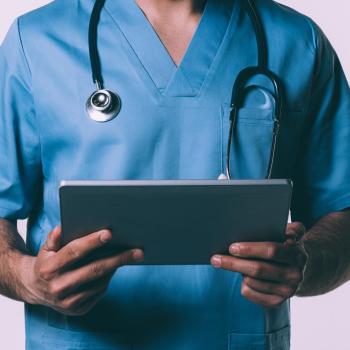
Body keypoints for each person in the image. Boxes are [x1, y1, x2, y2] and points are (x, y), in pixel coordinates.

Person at [0, 0, 349, 349]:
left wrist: (306, 263)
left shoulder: (298, 43)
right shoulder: (35, 42)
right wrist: (30, 278)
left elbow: (341, 211)